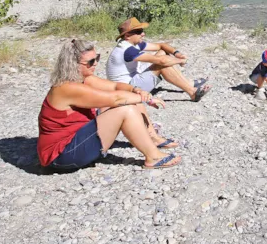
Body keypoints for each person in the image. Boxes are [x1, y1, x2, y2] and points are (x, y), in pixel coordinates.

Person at [38, 39, 182, 170]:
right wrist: (146, 99)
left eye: (97, 58)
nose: (95, 64)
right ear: (73, 64)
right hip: (62, 156)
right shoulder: (67, 88)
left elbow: (114, 87)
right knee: (126, 108)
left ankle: (152, 139)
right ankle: (154, 157)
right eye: (90, 61)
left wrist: (135, 90)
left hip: (76, 140)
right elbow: (116, 99)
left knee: (133, 101)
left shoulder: (84, 79)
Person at [107, 17, 210, 102]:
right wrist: (180, 61)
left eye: (142, 31)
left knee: (162, 53)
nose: (143, 34)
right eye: (139, 31)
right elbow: (161, 61)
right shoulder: (127, 50)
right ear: (127, 35)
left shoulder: (132, 43)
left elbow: (161, 46)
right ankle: (192, 92)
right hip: (128, 89)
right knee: (161, 63)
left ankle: (188, 83)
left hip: (133, 79)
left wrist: (177, 54)